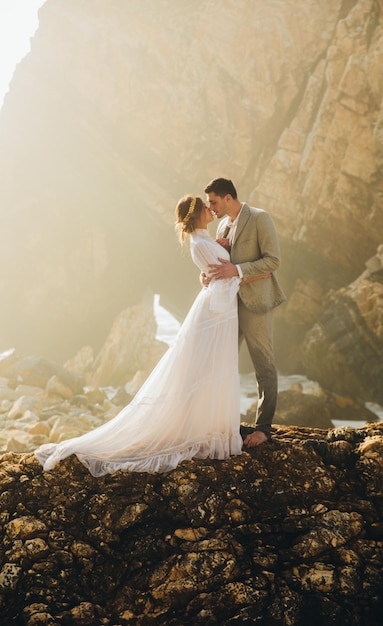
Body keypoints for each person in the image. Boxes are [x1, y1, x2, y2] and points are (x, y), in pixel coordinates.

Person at [35, 196, 242, 477]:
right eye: (205, 206)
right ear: (196, 215)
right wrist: (241, 270)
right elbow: (225, 277)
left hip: (216, 309)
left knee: (208, 367)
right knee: (206, 366)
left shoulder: (204, 241)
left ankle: (204, 424)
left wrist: (219, 263)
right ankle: (204, 429)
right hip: (217, 313)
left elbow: (213, 272)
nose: (210, 209)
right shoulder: (202, 243)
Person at [203, 178, 286, 448]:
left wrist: (236, 271)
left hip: (256, 304)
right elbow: (222, 265)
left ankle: (263, 429)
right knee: (223, 361)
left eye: (213, 202)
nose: (210, 207)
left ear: (228, 197)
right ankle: (223, 424)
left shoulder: (260, 218)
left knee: (264, 365)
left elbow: (272, 261)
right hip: (228, 305)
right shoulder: (222, 225)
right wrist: (208, 276)